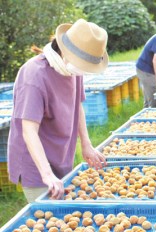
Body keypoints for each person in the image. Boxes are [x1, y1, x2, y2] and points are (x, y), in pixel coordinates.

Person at [7, 19, 108, 203]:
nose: (83, 70)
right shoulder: (34, 76)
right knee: (48, 218)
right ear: (65, 52)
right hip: (34, 160)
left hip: (61, 152)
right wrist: (46, 174)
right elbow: (28, 131)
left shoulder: (72, 70)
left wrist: (86, 143)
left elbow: (77, 104)